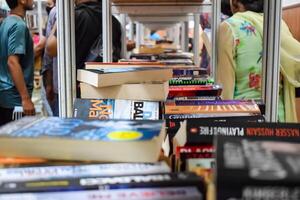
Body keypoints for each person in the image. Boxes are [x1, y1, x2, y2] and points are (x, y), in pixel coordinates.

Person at [217, 0, 300, 122]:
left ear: (235, 2)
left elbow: (225, 90)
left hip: (244, 119)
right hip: (279, 118)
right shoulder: (278, 24)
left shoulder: (229, 26)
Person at [46, 0, 122, 97]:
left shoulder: (73, 17)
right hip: (107, 88)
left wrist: (60, 18)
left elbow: (51, 49)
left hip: (77, 90)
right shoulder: (114, 21)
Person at [0, 0, 35, 125]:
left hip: (6, 96)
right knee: (18, 141)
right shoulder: (18, 25)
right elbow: (12, 62)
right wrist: (25, 99)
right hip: (15, 100)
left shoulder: (6, 22)